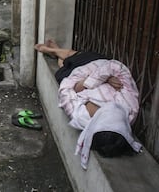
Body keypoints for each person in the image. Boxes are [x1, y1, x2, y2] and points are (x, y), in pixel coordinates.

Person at [35, 40, 142, 169]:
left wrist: (89, 81)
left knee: (63, 69)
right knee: (75, 56)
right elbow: (117, 67)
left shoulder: (80, 116)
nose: (111, 110)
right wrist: (101, 77)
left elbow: (65, 89)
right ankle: (55, 51)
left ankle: (57, 53)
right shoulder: (129, 109)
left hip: (76, 76)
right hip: (96, 64)